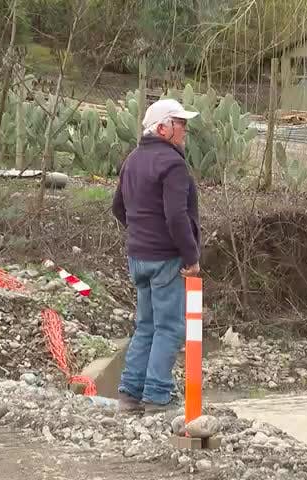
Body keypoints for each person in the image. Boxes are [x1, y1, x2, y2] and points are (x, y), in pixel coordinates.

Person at [112, 98, 201, 414]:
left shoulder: (132, 160)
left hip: (138, 256)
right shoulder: (173, 164)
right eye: (180, 123)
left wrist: (138, 232)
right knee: (169, 327)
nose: (185, 130)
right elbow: (177, 216)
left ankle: (129, 395)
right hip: (165, 258)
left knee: (146, 325)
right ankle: (158, 396)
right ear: (163, 128)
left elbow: (117, 208)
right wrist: (191, 257)